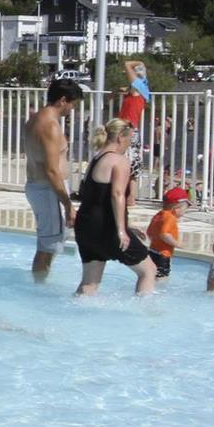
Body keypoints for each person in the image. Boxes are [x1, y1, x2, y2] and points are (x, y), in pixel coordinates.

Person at [74, 119, 159, 296]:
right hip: (106, 228)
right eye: (130, 140)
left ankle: (71, 315)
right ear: (121, 137)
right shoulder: (119, 161)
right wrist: (121, 230)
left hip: (85, 226)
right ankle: (144, 316)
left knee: (89, 283)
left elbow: (97, 198)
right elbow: (117, 194)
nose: (129, 144)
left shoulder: (95, 159)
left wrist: (126, 226)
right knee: (148, 271)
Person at [23, 79, 85, 281]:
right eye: (72, 104)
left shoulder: (33, 119)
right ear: (62, 100)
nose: (72, 108)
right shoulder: (50, 125)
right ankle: (38, 289)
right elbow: (51, 170)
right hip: (49, 189)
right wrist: (68, 205)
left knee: (48, 243)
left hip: (37, 186)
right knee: (46, 247)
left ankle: (39, 283)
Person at [147, 187, 189, 279]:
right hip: (163, 254)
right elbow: (164, 234)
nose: (185, 211)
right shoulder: (170, 218)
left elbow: (149, 232)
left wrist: (155, 242)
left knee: (151, 276)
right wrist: (177, 244)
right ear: (176, 208)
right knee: (162, 278)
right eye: (185, 209)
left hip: (152, 251)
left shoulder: (159, 215)